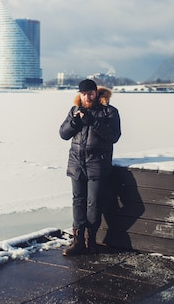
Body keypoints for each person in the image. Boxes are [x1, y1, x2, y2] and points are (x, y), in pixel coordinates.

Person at [59, 79, 121, 255]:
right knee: (78, 201)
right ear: (80, 94)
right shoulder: (75, 110)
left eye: (90, 94)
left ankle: (90, 240)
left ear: (96, 93)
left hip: (97, 164)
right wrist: (75, 122)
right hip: (77, 163)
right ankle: (77, 241)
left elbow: (113, 136)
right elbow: (63, 133)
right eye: (84, 94)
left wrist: (92, 121)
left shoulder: (109, 111)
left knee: (93, 203)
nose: (87, 97)